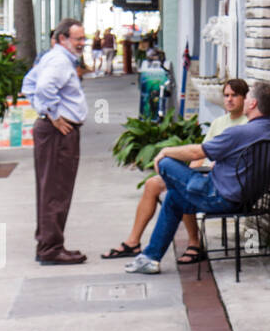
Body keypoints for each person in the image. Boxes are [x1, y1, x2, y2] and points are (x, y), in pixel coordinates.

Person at [125, 81, 270, 274]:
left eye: (247, 98)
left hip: (219, 197)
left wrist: (166, 150)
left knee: (167, 163)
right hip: (249, 201)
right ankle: (150, 259)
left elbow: (197, 153)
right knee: (174, 198)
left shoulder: (240, 132)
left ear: (252, 104)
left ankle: (157, 250)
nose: (243, 102)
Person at [102, 79, 250, 264]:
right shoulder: (219, 122)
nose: (229, 100)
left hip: (218, 181)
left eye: (234, 95)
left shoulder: (246, 125)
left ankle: (194, 243)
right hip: (201, 173)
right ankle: (133, 242)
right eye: (226, 95)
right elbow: (201, 153)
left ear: (245, 98)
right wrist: (189, 171)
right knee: (152, 184)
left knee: (181, 187)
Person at [21, 18, 90, 266]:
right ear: (63, 39)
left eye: (84, 38)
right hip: (58, 132)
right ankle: (51, 247)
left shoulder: (54, 58)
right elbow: (42, 88)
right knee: (56, 190)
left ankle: (48, 244)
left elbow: (29, 84)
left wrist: (47, 111)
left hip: (54, 130)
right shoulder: (60, 61)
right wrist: (54, 116)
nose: (83, 43)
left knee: (51, 188)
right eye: (78, 39)